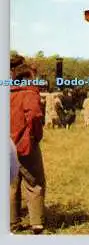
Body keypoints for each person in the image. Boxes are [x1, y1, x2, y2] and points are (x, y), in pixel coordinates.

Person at [10, 56, 46, 234]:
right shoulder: (29, 93)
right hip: (25, 144)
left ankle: (12, 223)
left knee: (11, 184)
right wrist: (35, 136)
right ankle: (36, 223)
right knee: (35, 182)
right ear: (26, 77)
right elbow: (34, 117)